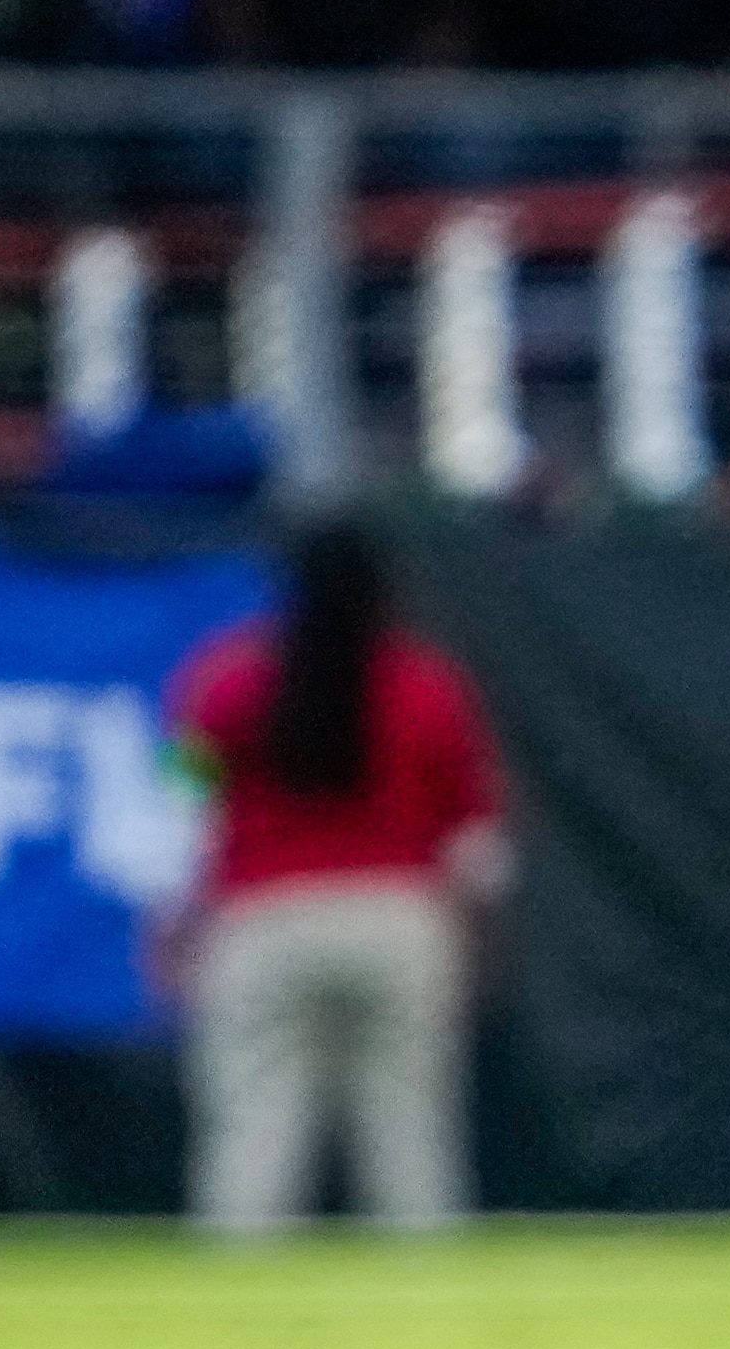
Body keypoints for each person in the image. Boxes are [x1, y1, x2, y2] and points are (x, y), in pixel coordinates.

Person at [167, 524, 506, 1236]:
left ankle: (232, 1313)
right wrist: (475, 938)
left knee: (254, 1127)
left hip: (262, 924)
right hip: (401, 922)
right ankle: (436, 1321)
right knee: (411, 1134)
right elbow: (480, 847)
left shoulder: (221, 678)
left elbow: (171, 811)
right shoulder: (427, 683)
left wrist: (170, 924)